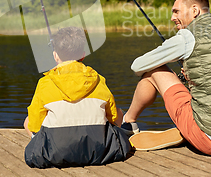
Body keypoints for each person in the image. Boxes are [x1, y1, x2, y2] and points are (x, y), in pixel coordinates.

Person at [121, 0, 211, 156]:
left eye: (176, 11)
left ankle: (128, 122)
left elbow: (137, 65)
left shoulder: (187, 36)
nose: (172, 18)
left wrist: (168, 59)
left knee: (155, 69)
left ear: (194, 11)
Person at [24, 26, 132, 168]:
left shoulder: (45, 83)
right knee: (119, 112)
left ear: (55, 55)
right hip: (100, 151)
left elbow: (35, 126)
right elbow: (113, 119)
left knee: (27, 120)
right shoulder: (98, 79)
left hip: (53, 153)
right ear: (83, 55)